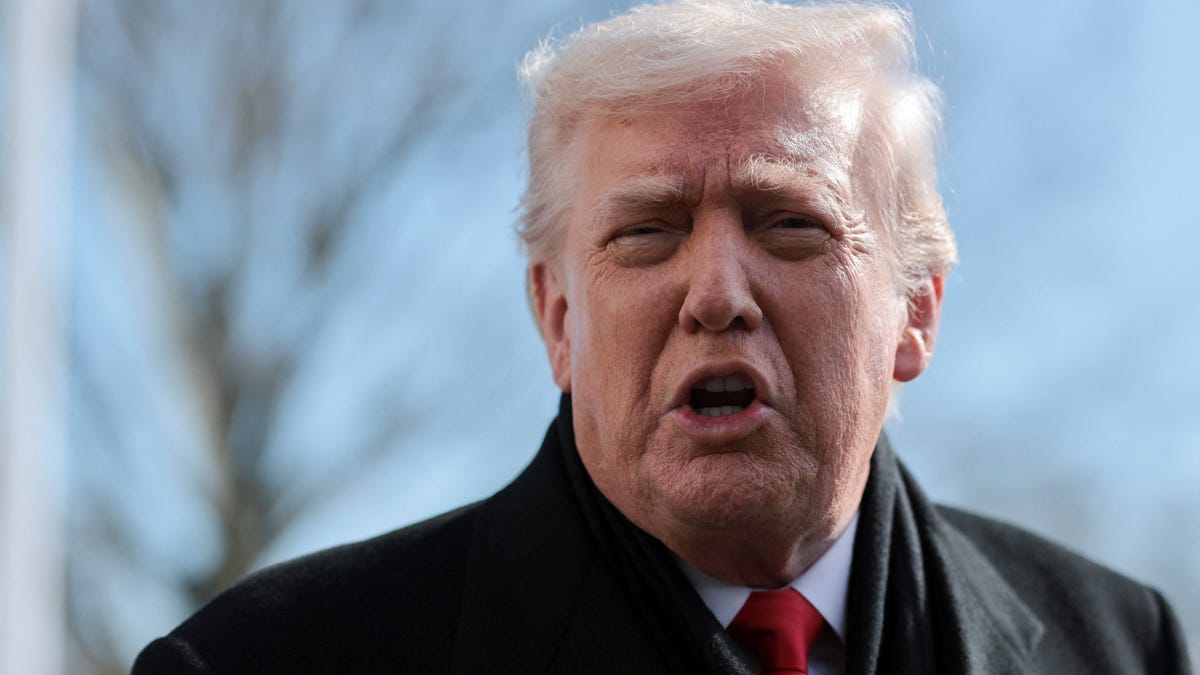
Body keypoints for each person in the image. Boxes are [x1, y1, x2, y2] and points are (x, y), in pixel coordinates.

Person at [134, 1, 1191, 673]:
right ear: (558, 316)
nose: (716, 294)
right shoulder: (261, 660)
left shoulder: (1121, 644)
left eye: (790, 224)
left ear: (916, 309)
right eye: (646, 233)